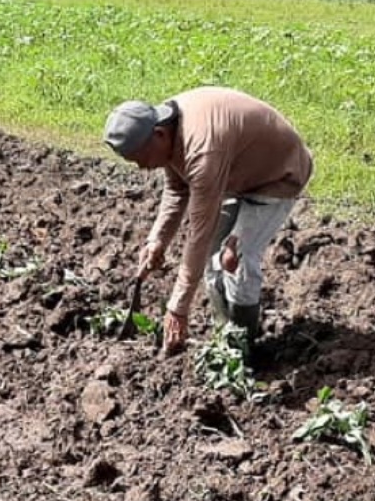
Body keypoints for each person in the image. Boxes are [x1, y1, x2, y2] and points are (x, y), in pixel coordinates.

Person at [102, 87, 314, 353]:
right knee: (212, 265)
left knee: (232, 260)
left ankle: (242, 348)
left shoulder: (202, 151)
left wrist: (178, 307)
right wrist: (157, 240)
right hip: (235, 176)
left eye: (141, 158)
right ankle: (224, 337)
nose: (142, 167)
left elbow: (199, 233)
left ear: (158, 134)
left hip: (278, 176)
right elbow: (177, 188)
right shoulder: (167, 129)